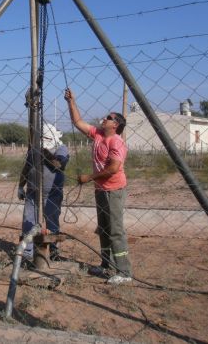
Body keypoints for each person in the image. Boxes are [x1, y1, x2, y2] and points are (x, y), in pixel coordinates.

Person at [64, 87, 132, 284]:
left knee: (115, 229)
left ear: (116, 124)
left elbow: (113, 168)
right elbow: (77, 122)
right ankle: (106, 265)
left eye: (108, 118)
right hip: (101, 190)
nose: (104, 118)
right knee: (103, 228)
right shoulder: (99, 135)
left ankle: (124, 271)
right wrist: (71, 101)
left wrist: (90, 177)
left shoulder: (116, 142)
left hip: (114, 190)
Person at [17, 123, 69, 264]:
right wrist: (21, 186)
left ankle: (52, 250)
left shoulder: (61, 149)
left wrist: (44, 151)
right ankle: (27, 252)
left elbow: (59, 164)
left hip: (52, 194)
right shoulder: (34, 150)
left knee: (51, 222)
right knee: (28, 221)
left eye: (45, 137)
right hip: (33, 193)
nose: (42, 140)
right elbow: (26, 168)